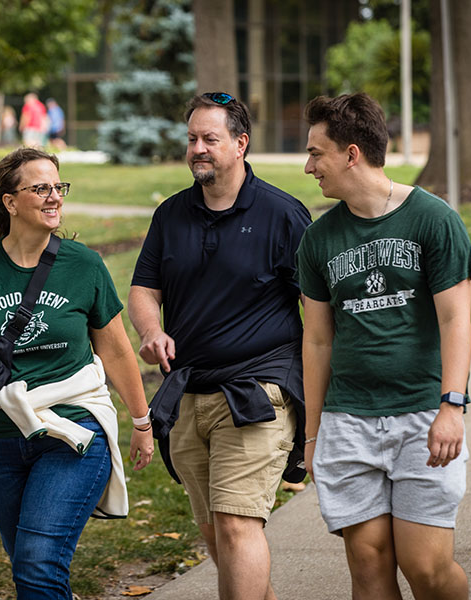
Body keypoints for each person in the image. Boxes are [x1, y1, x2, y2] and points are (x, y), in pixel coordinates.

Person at [0, 147, 154, 599]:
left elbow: (119, 353)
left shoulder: (83, 265)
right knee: (30, 562)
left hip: (71, 430)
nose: (54, 198)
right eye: (40, 188)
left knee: (37, 563)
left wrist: (141, 422)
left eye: (58, 187)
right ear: (10, 202)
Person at [128, 92, 311, 600]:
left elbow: (319, 314)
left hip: (258, 392)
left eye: (210, 138)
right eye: (192, 139)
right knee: (217, 534)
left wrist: (318, 405)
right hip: (189, 393)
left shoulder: (282, 215)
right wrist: (150, 330)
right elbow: (144, 288)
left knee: (235, 526)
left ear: (240, 144)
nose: (198, 149)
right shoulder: (171, 214)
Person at [296, 93, 471, 600]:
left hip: (422, 415)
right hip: (348, 420)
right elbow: (316, 339)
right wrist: (312, 437)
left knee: (426, 568)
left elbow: (455, 319)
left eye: (317, 153)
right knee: (369, 565)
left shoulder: (433, 219)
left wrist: (452, 406)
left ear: (351, 154)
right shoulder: (318, 239)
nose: (308, 165)